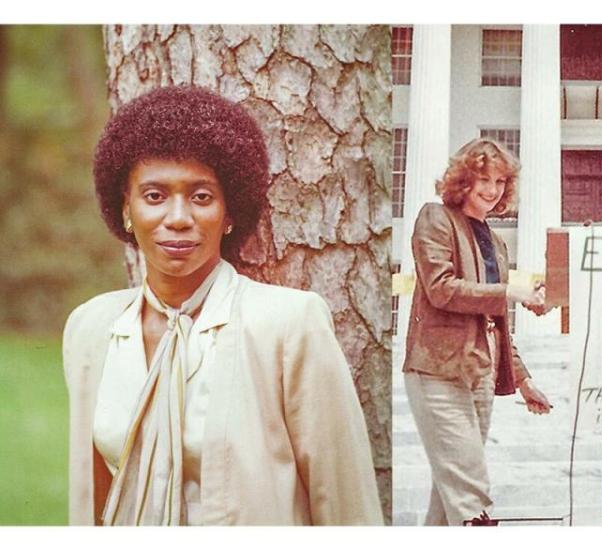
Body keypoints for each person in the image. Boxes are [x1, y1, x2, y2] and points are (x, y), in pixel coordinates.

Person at [64, 86, 382, 525]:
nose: (178, 217)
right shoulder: (91, 329)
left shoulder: (288, 325)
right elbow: (90, 500)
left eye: (201, 196)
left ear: (230, 213)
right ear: (125, 210)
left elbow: (347, 505)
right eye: (154, 196)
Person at [404, 138, 552, 526]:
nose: (492, 189)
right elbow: (441, 289)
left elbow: (497, 322)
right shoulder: (435, 217)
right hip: (438, 370)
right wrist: (509, 291)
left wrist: (522, 379)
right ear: (463, 180)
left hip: (481, 373)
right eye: (483, 179)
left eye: (501, 181)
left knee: (450, 491)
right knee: (468, 488)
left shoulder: (496, 241)